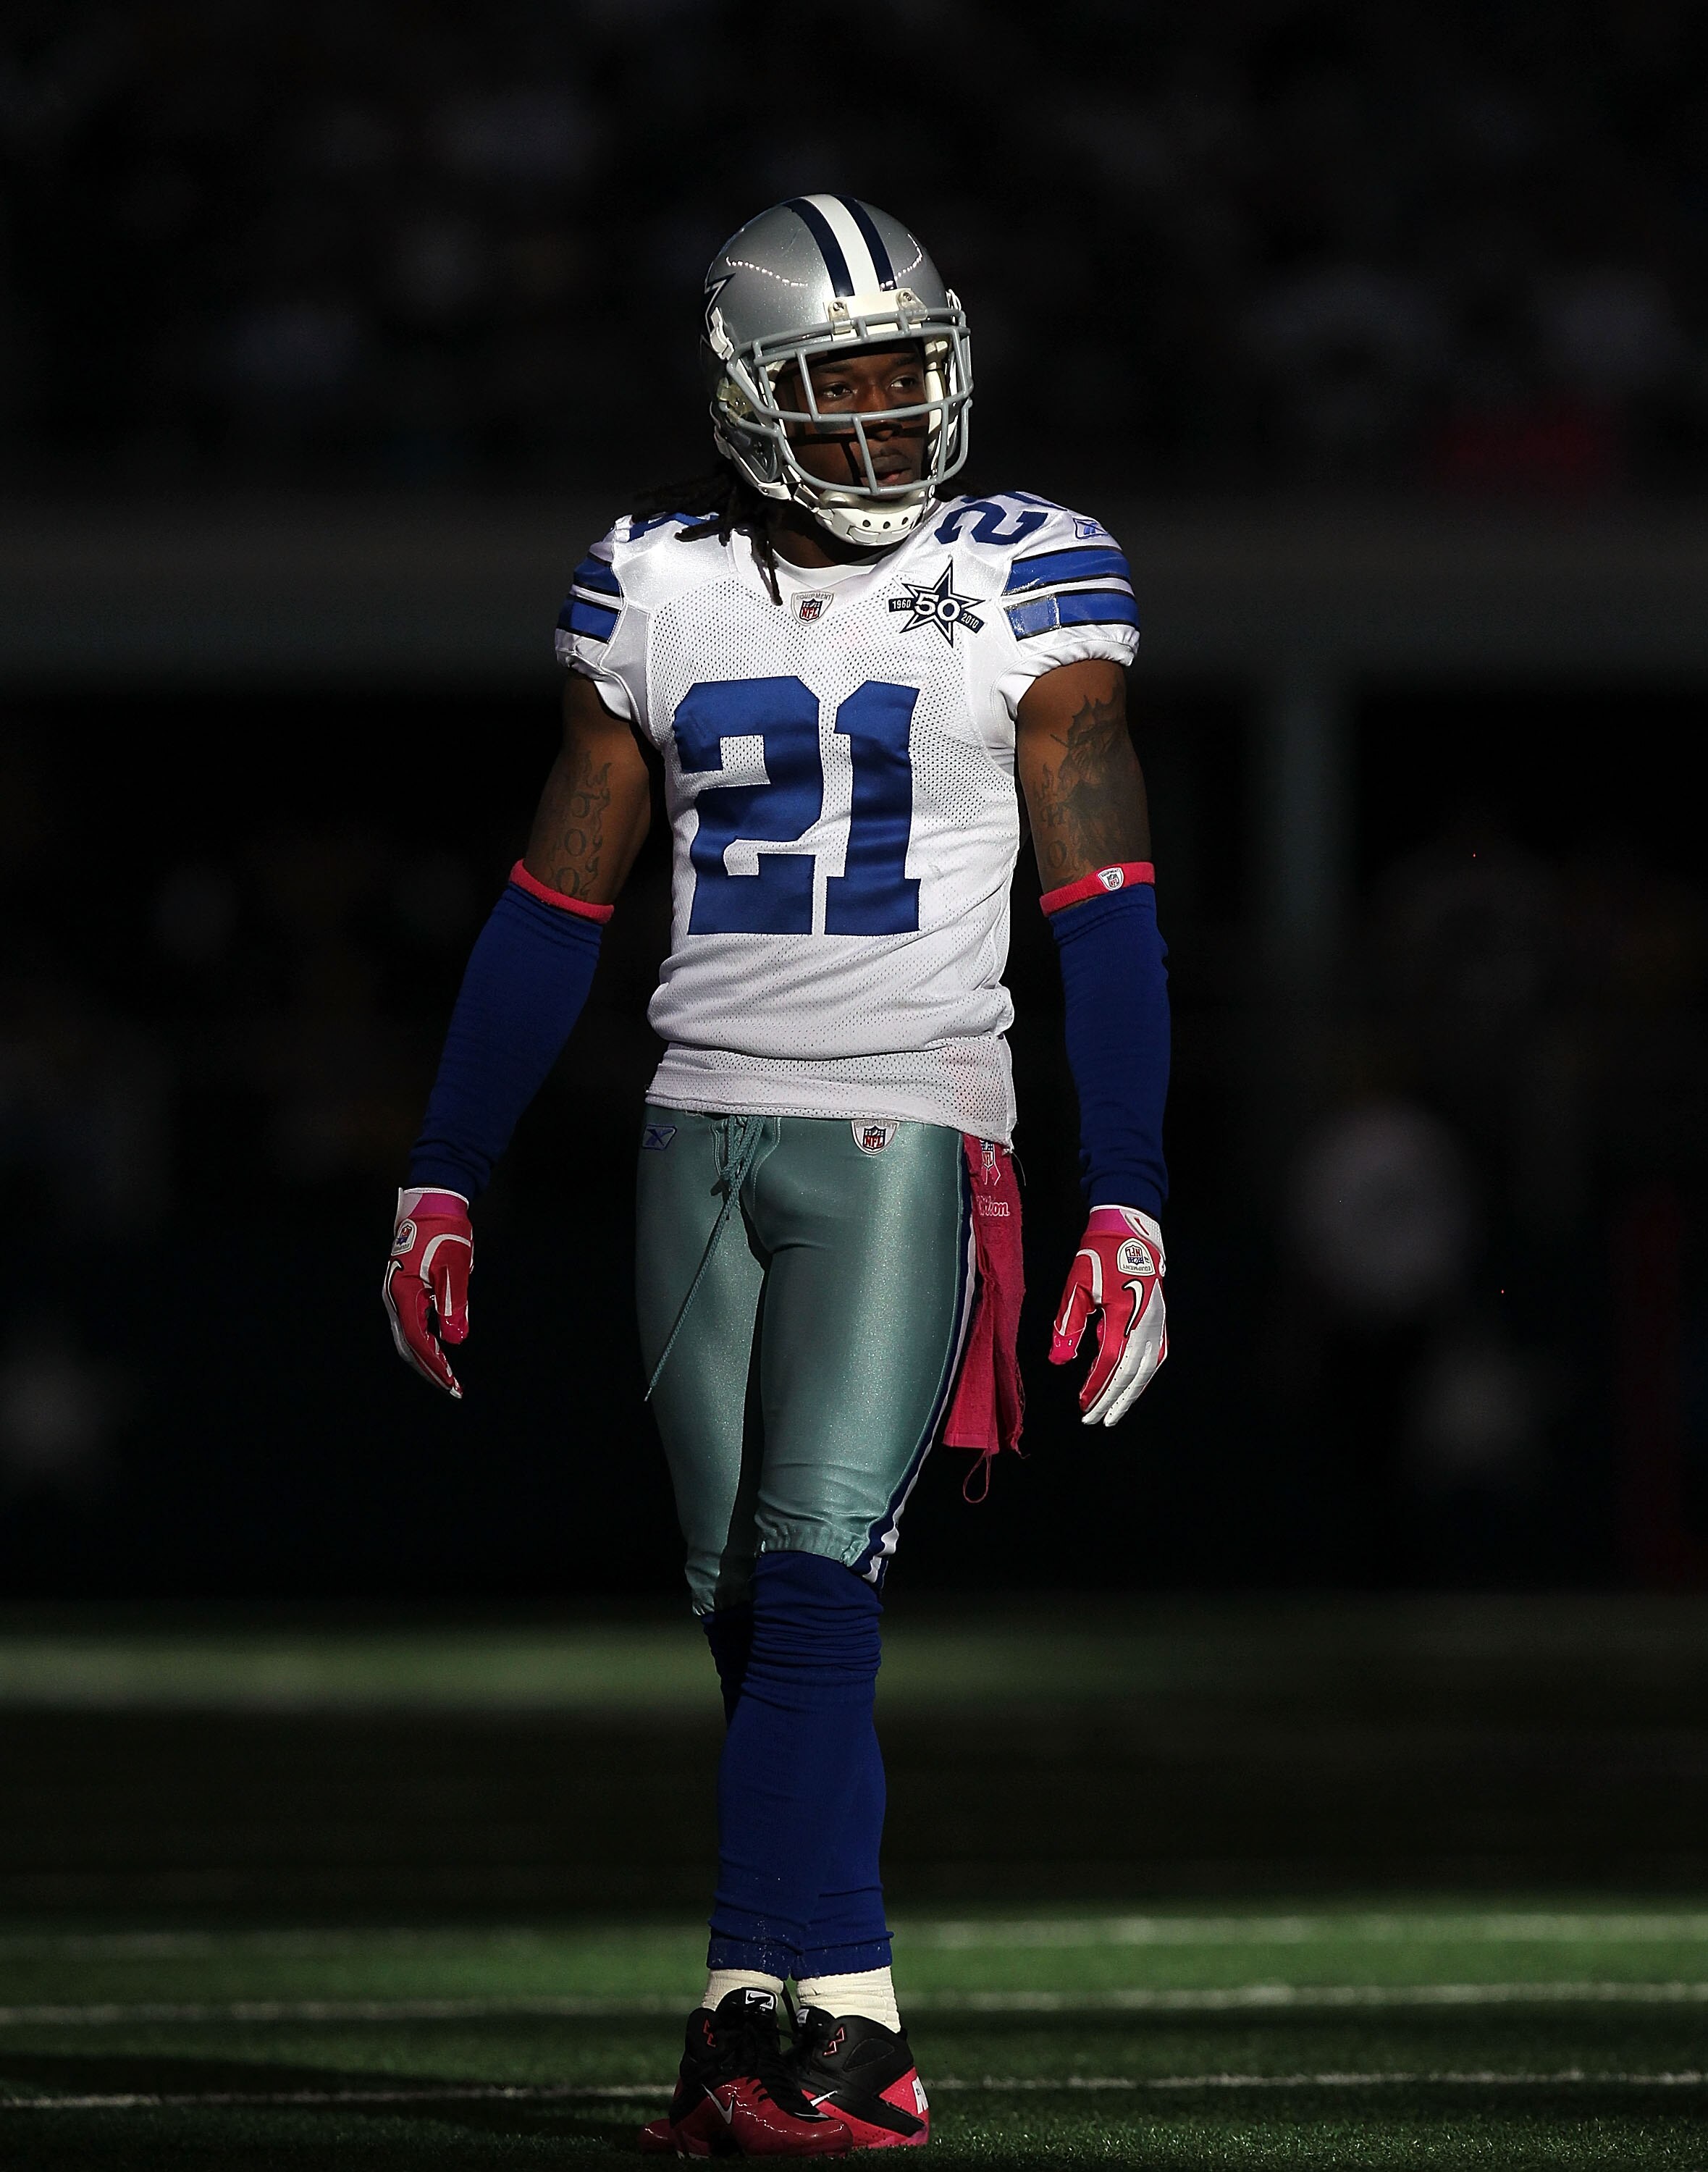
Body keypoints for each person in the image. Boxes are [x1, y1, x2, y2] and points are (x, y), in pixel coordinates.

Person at [383, 194, 1170, 2158]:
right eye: (845, 385)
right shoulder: (656, 582)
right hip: (693, 1127)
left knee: (819, 1586)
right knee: (741, 1601)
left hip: (908, 1121)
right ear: (747, 396)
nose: (889, 421)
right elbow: (556, 902)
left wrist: (1130, 1191)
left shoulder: (1028, 575)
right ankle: (818, 2020)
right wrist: (445, 1171)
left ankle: (787, 2025)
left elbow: (1107, 912)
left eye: (911, 377)